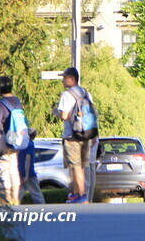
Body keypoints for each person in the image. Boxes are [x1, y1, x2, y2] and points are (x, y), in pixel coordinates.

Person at [53, 67, 94, 204]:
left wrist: (56, 112)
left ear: (72, 79)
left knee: (75, 166)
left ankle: (81, 195)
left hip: (72, 135)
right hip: (86, 134)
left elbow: (64, 115)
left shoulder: (67, 94)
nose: (63, 80)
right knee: (82, 166)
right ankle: (78, 194)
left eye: (65, 78)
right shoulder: (86, 93)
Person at [0, 75, 24, 205]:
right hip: (16, 138)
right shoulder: (17, 101)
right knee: (14, 169)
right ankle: (16, 198)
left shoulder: (0, 103)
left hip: (4, 138)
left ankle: (8, 199)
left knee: (4, 170)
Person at [18, 128, 45, 205]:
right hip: (29, 173)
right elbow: (27, 159)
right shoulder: (30, 144)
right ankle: (43, 208)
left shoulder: (21, 144)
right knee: (36, 193)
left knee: (19, 192)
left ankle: (13, 206)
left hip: (20, 171)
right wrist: (27, 175)